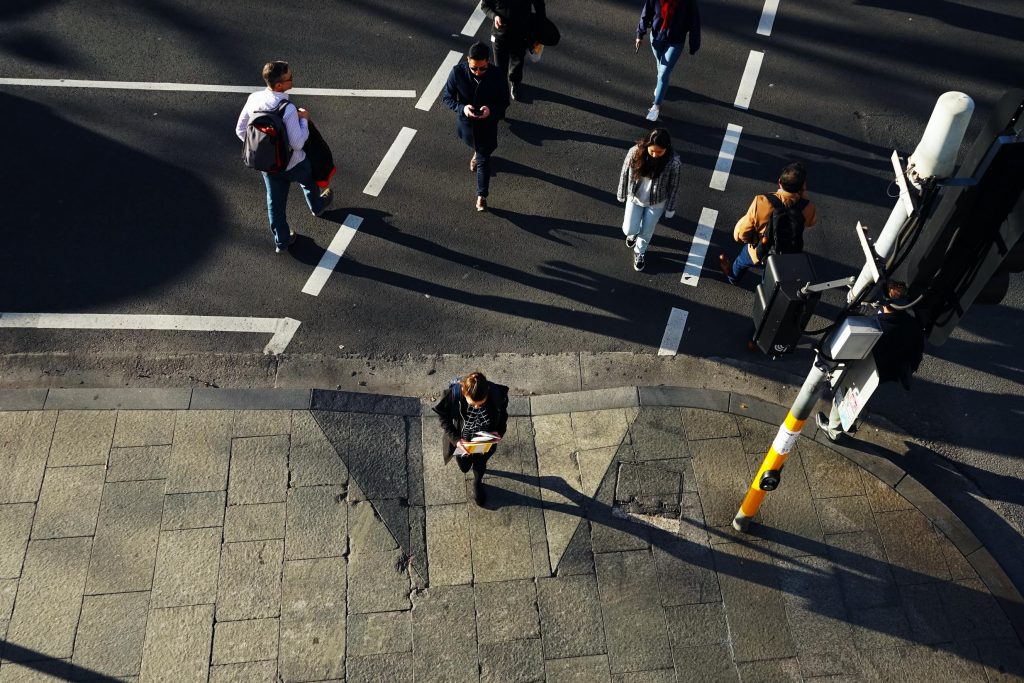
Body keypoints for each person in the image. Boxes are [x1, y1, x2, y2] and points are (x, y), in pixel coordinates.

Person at [235, 61, 333, 253]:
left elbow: (240, 130)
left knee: (275, 203)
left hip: (269, 167)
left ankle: (282, 240)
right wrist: (304, 120)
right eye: (290, 78)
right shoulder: (287, 108)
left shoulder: (254, 99)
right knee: (309, 181)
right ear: (279, 85)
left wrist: (264, 150)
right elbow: (297, 143)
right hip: (293, 163)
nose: (293, 80)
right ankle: (317, 207)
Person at [817, 281, 926, 441]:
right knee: (862, 395)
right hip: (889, 372)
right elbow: (917, 353)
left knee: (844, 396)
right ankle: (850, 420)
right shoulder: (913, 325)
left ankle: (833, 430)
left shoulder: (878, 325)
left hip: (867, 369)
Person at [720, 161, 817, 285]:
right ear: (802, 187)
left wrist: (750, 241)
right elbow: (811, 222)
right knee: (770, 277)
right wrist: (804, 197)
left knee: (741, 262)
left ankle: (733, 278)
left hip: (759, 248)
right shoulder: (808, 207)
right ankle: (766, 295)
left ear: (779, 182)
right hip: (786, 254)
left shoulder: (762, 201)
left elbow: (744, 231)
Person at [441, 42, 511, 212]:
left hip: (487, 123)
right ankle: (476, 154)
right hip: (467, 124)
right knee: (478, 150)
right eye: (474, 69)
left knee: (484, 158)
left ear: (488, 62)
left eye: (482, 68)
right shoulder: (457, 72)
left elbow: (504, 102)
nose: (478, 72)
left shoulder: (497, 75)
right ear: (467, 61)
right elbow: (447, 97)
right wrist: (462, 108)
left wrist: (491, 110)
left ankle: (482, 196)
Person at [433, 372, 510, 506]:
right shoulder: (454, 394)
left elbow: (503, 416)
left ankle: (477, 483)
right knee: (464, 467)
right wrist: (456, 440)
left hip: (485, 441)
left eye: (481, 404)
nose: (477, 407)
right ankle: (471, 470)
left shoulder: (497, 395)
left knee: (480, 464)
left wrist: (499, 433)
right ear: (464, 393)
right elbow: (443, 417)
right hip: (463, 442)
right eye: (473, 404)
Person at [616, 128, 682, 272]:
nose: (655, 155)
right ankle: (634, 233)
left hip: (657, 202)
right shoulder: (635, 152)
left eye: (659, 152)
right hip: (635, 198)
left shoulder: (673, 162)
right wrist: (621, 193)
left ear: (667, 148)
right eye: (652, 151)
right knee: (628, 229)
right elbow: (624, 173)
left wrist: (670, 208)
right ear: (646, 145)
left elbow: (674, 186)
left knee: (647, 231)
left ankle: (640, 252)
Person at [635, 0, 701, 122]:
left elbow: (694, 22)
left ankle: (656, 106)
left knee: (664, 72)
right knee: (661, 67)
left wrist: (694, 45)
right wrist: (640, 34)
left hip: (675, 42)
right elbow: (646, 13)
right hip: (656, 39)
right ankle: (662, 85)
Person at [482, 0, 546, 102]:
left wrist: (541, 24)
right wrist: (494, 16)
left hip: (521, 35)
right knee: (499, 66)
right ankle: (501, 87)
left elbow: (539, 5)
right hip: (500, 36)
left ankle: (515, 83)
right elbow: (485, 6)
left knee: (517, 63)